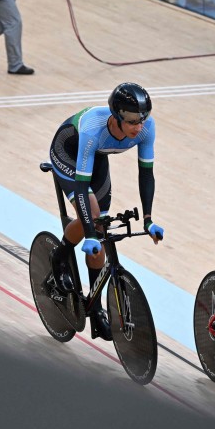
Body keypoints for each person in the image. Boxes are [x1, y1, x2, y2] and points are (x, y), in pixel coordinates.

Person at [46, 83, 165, 341]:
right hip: (68, 150)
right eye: (133, 121)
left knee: (100, 228)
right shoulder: (93, 127)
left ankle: (95, 307)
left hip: (97, 157)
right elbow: (80, 185)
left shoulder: (146, 129)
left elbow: (146, 174)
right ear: (117, 116)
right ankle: (60, 255)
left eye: (143, 118)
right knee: (92, 217)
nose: (139, 126)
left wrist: (148, 219)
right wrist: (88, 232)